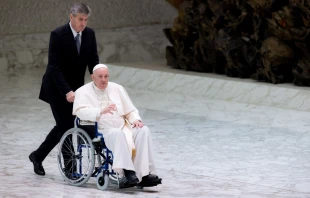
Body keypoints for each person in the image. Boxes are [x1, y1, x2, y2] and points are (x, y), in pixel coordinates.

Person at [29, 3, 99, 176]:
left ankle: (37, 156)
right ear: (71, 17)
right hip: (56, 87)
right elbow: (54, 67)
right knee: (66, 125)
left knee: (63, 126)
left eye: (86, 20)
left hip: (77, 88)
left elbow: (93, 61)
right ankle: (71, 169)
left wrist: (98, 79)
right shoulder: (58, 34)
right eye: (80, 19)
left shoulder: (89, 34)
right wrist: (67, 91)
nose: (83, 23)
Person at [72, 63, 162, 188]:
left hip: (123, 125)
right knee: (116, 133)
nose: (104, 80)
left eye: (106, 76)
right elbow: (79, 112)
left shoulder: (117, 88)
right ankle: (127, 173)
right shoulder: (82, 91)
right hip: (102, 129)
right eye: (100, 77)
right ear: (93, 77)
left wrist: (135, 120)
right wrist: (99, 111)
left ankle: (145, 175)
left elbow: (130, 110)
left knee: (143, 130)